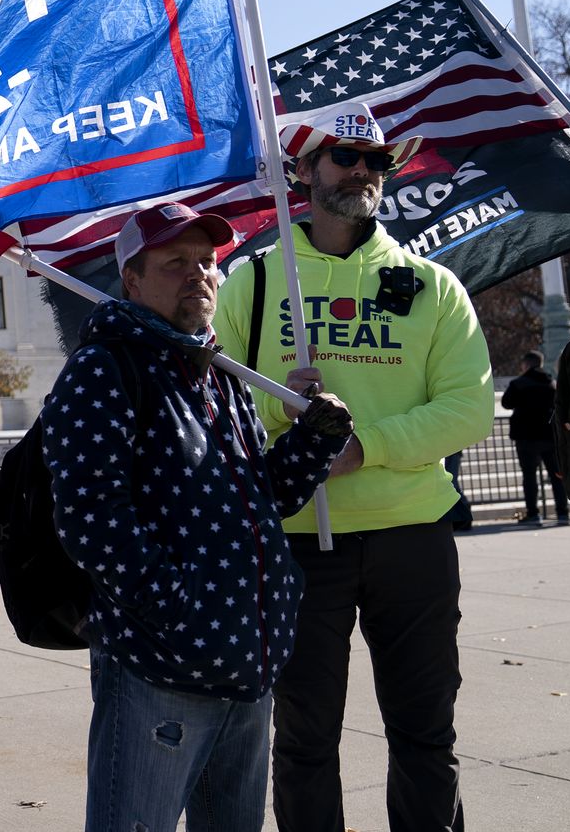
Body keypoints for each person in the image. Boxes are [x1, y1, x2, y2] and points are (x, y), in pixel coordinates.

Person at [214, 102, 493, 832]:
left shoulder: (432, 286)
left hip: (414, 538)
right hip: (301, 542)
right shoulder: (255, 281)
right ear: (304, 171)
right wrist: (283, 412)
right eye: (345, 155)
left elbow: (469, 408)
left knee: (427, 734)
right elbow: (216, 401)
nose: (364, 171)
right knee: (305, 742)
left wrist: (362, 447)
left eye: (376, 160)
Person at [47, 202, 353, 832]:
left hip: (245, 663)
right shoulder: (105, 369)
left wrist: (313, 442)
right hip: (161, 668)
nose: (199, 275)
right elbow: (90, 518)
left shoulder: (218, 376)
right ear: (132, 279)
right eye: (175, 262)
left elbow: (257, 501)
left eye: (208, 262)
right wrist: (178, 607)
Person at [502, 350, 568, 524]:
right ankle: (563, 512)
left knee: (529, 476)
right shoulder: (551, 383)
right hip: (549, 436)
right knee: (556, 476)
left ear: (526, 364)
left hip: (526, 437)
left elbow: (506, 403)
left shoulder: (518, 383)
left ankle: (534, 513)